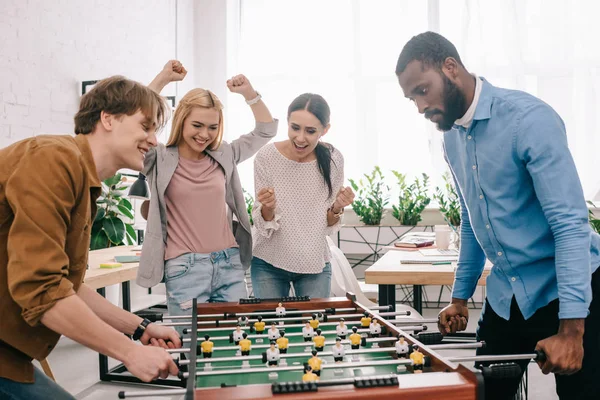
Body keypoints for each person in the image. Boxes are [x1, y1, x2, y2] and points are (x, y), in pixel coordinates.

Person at [396, 31, 600, 400]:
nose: (419, 106)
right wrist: (459, 298)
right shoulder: (451, 137)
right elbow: (474, 219)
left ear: (450, 67)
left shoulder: (529, 120)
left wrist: (572, 332)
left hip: (570, 293)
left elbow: (570, 226)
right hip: (508, 294)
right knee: (486, 393)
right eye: (412, 98)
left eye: (422, 90)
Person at [0, 76, 182, 400]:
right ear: (107, 118)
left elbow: (67, 285)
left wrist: (139, 329)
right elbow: (42, 290)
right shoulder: (54, 159)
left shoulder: (84, 181)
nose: (153, 141)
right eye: (145, 127)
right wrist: (130, 353)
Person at [138, 61, 278, 325]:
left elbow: (266, 130)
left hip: (229, 263)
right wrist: (162, 80)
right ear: (182, 121)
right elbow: (134, 126)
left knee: (237, 343)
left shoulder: (224, 154)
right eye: (197, 125)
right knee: (189, 348)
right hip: (184, 268)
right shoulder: (158, 158)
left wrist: (249, 93)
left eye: (212, 127)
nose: (204, 134)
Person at [250, 93, 355, 298]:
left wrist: (337, 207)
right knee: (268, 329)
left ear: (325, 130)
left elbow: (327, 222)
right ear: (287, 123)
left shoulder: (333, 159)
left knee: (315, 329)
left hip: (314, 263)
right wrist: (268, 208)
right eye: (295, 128)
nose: (300, 138)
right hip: (268, 262)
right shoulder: (266, 157)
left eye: (310, 131)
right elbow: (263, 223)